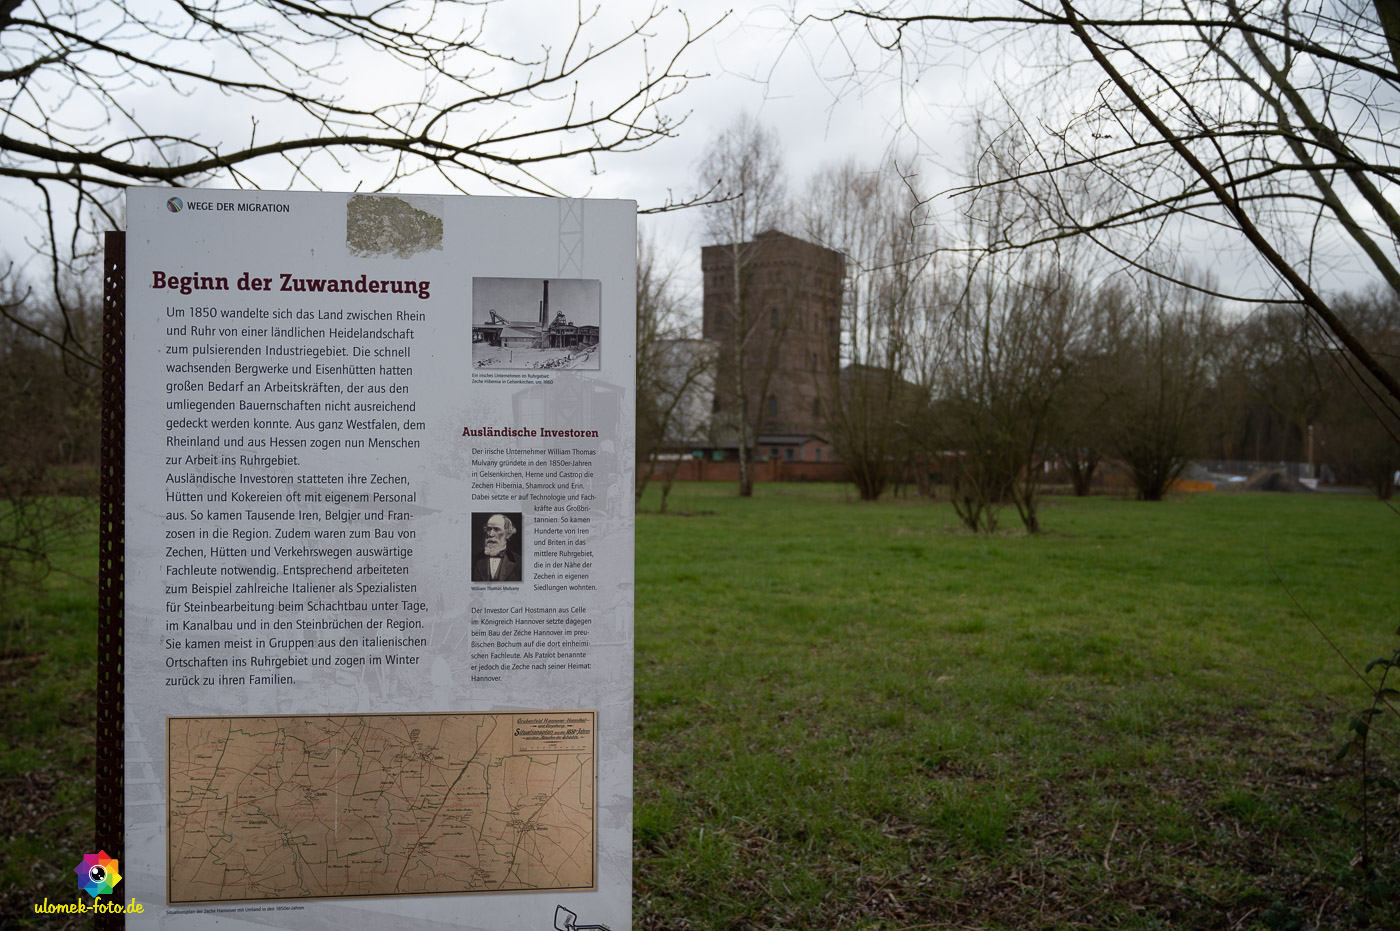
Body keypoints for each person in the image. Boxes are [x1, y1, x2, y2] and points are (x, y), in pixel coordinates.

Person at [472, 513, 521, 582]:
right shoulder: (474, 560)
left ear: (508, 534)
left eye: (497, 529)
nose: (490, 534)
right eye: (489, 529)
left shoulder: (519, 562)